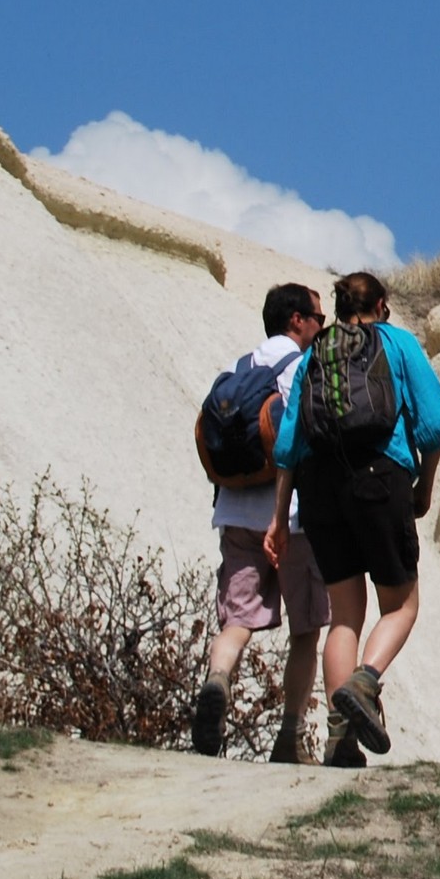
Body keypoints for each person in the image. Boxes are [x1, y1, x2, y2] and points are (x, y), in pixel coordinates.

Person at [264, 269, 440, 766]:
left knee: (344, 616)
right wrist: (423, 487)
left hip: (319, 489)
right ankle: (366, 682)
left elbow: (288, 445)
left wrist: (279, 519)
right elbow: (434, 422)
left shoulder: (314, 354)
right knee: (401, 605)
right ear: (382, 304)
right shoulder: (397, 343)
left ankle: (340, 740)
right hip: (378, 478)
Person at [193, 283, 331, 763]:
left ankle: (217, 680)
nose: (321, 326)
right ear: (296, 320)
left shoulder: (237, 368)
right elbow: (311, 439)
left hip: (235, 514)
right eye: (318, 317)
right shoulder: (303, 370)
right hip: (292, 521)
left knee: (236, 622)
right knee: (305, 632)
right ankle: (289, 739)